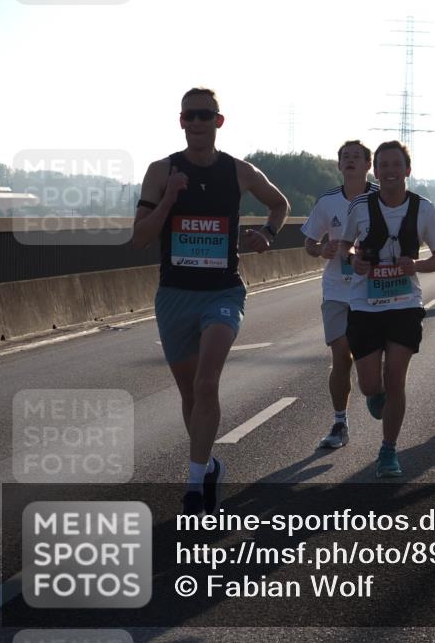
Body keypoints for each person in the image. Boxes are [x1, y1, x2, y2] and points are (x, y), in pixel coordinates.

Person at [132, 87, 289, 515]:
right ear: (181, 122)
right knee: (190, 394)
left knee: (206, 382)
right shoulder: (160, 171)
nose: (197, 123)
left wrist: (268, 235)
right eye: (190, 116)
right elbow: (140, 237)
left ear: (219, 122)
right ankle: (210, 464)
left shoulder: (240, 172)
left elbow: (280, 204)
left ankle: (193, 484)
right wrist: (169, 197)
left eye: (205, 116)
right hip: (174, 296)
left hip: (222, 292)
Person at [339, 141, 435, 477]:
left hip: (405, 304)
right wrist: (353, 260)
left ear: (407, 170)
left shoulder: (424, 209)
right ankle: (377, 396)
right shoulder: (360, 206)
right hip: (365, 305)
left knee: (396, 376)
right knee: (371, 384)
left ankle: (389, 450)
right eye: (383, 165)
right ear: (377, 170)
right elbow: (344, 248)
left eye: (395, 164)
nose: (389, 171)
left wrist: (415, 265)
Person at [302, 140, 377, 450]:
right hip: (336, 290)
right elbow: (309, 243)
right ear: (338, 165)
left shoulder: (381, 198)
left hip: (374, 289)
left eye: (356, 157)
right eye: (345, 157)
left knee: (369, 359)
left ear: (367, 165)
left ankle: (375, 385)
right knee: (341, 355)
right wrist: (322, 249)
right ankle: (339, 422)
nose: (350, 161)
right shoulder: (327, 202)